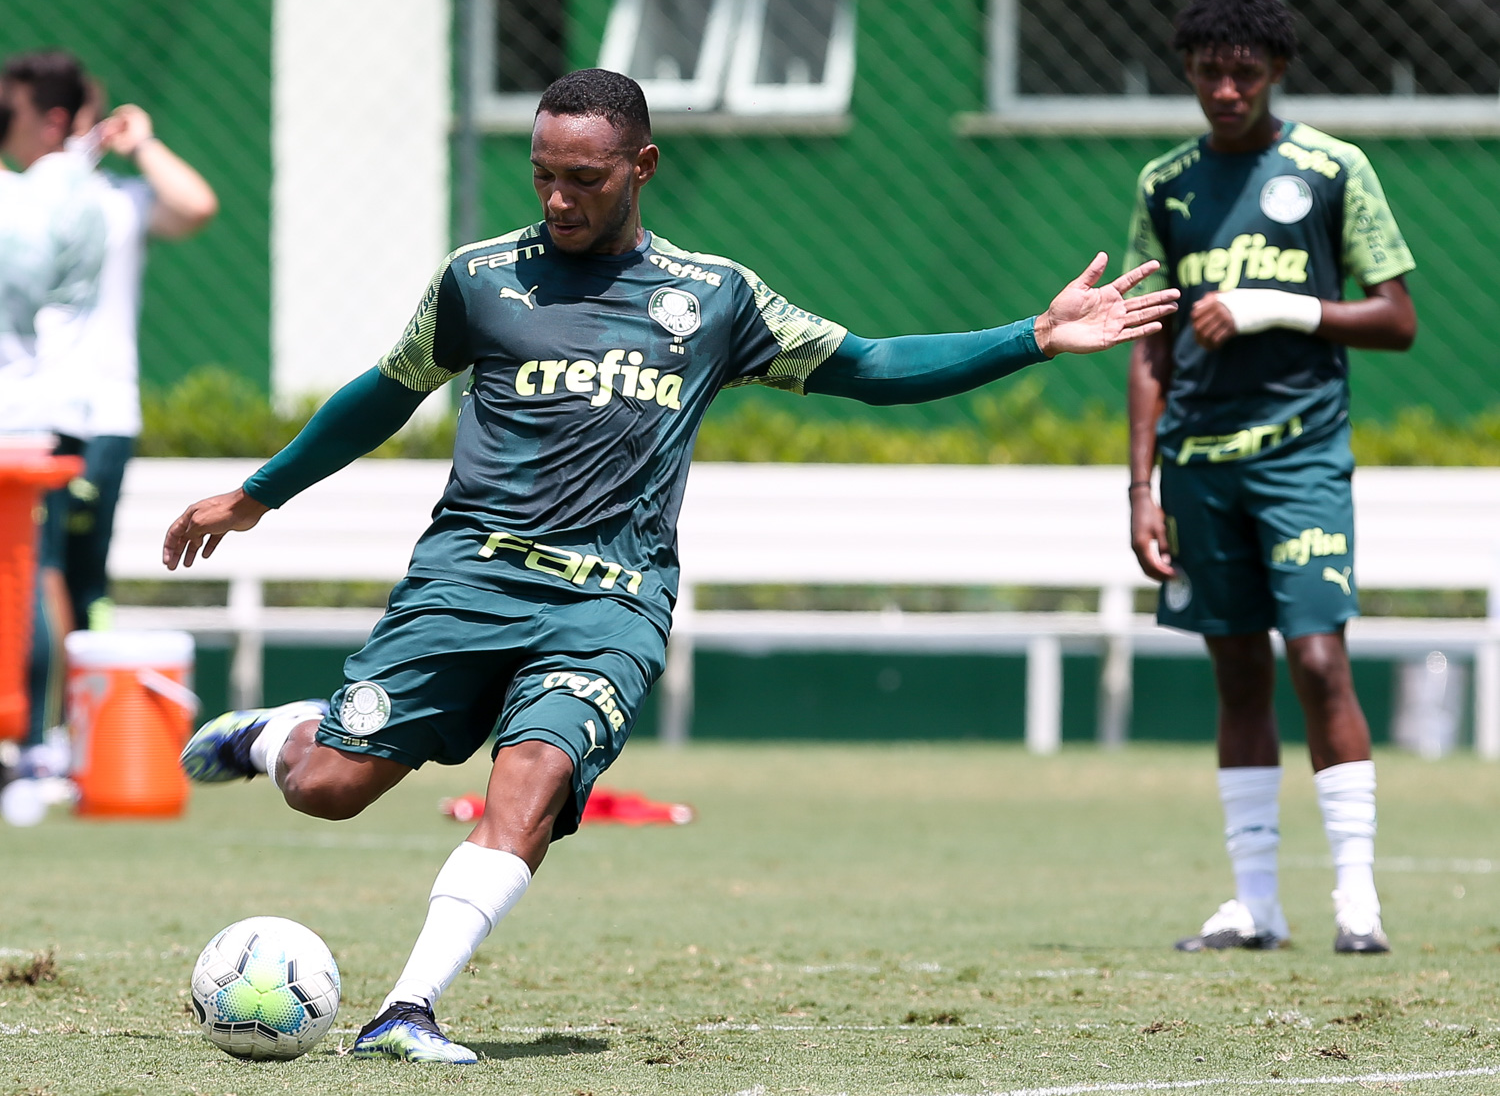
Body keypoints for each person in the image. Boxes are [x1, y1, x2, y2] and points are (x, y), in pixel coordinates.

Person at [166, 68, 1178, 1063]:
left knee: (530, 783)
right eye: (542, 174)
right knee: (329, 787)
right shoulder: (477, 280)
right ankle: (278, 733)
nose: (558, 199)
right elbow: (386, 393)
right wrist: (258, 494)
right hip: (467, 579)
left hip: (609, 602)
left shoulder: (715, 297)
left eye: (585, 178)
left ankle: (407, 1010)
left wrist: (1034, 337)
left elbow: (868, 366)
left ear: (642, 167)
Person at [1123, 0, 1417, 954]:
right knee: (1239, 673)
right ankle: (1256, 904)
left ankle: (1357, 899)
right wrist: (1141, 489)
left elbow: (1398, 319)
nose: (1226, 90)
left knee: (1319, 661)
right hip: (1199, 465)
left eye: (1244, 73)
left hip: (1302, 457)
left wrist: (1276, 307)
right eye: (1209, 73)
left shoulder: (1332, 169)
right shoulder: (1166, 184)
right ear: (1188, 73)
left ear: (1277, 71)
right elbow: (1149, 346)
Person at [50, 88, 218, 632]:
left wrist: (141, 144)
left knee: (79, 577)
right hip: (27, 413)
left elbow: (195, 206)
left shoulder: (121, 200)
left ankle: (76, 682)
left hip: (101, 415)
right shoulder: (20, 199)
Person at [0, 50, 106, 746]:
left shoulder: (41, 193)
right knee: (45, 574)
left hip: (30, 407)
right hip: (52, 404)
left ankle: (35, 741)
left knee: (32, 575)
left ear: (51, 119)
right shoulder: (76, 184)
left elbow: (19, 292)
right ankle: (48, 740)